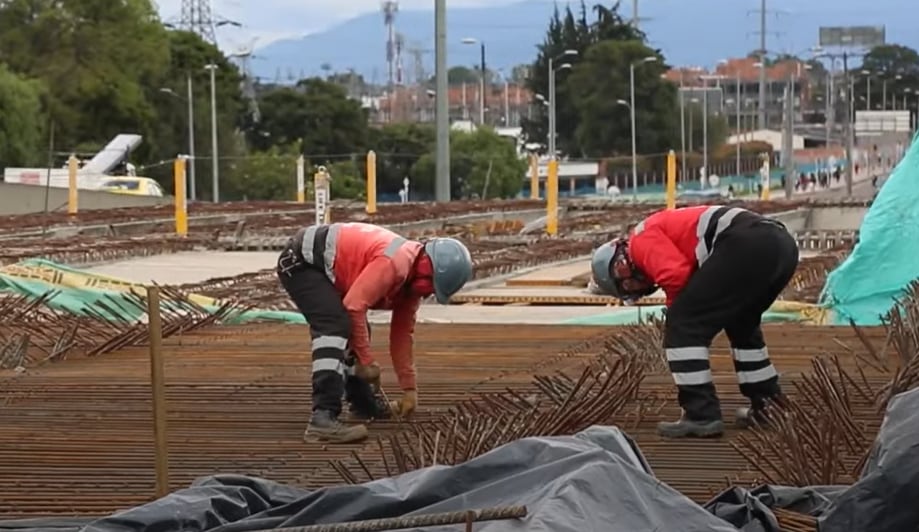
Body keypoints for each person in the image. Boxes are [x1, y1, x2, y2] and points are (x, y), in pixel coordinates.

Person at [590, 205, 798, 438]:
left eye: (629, 287)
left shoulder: (640, 240)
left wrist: (677, 321)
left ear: (621, 268)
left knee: (683, 326)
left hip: (746, 245)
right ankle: (769, 405)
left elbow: (676, 276)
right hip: (781, 246)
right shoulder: (660, 231)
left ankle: (701, 414)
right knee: (743, 324)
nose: (638, 290)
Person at [276, 222, 474, 443]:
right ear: (427, 269)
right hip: (301, 262)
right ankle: (322, 418)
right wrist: (366, 362)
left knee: (357, 329)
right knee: (335, 326)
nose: (427, 293)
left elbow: (402, 336)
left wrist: (409, 389)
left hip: (323, 266)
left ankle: (364, 405)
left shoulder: (410, 285)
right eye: (430, 287)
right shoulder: (395, 262)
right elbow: (353, 306)